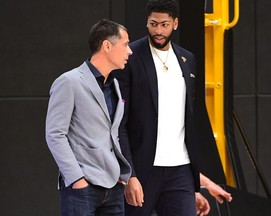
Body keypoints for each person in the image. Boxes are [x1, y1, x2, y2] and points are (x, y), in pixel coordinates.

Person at [114, 1, 232, 215]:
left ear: (175, 24)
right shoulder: (130, 56)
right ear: (147, 23)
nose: (158, 30)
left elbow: (188, 117)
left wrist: (196, 180)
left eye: (164, 24)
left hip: (181, 170)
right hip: (142, 169)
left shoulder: (188, 59)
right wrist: (129, 174)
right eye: (153, 24)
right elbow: (120, 121)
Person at [45, 19, 133, 216]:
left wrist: (121, 177)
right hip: (83, 188)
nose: (130, 51)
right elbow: (55, 134)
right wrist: (76, 179)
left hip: (114, 185)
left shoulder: (114, 85)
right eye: (126, 44)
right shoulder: (69, 81)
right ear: (107, 46)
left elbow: (112, 133)